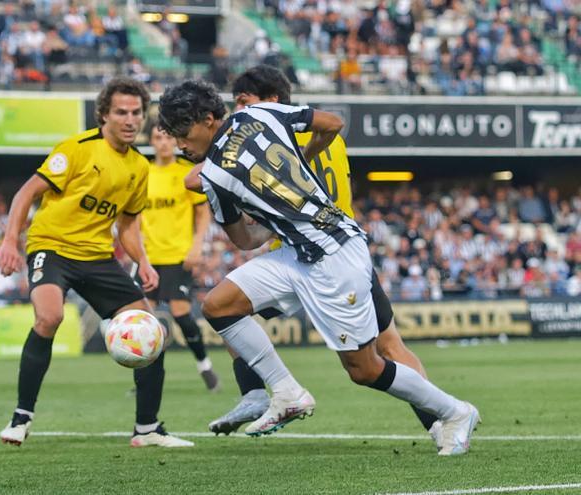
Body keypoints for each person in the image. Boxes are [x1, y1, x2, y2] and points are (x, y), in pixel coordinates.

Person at [158, 80, 479, 456]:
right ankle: (286, 393)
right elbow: (331, 122)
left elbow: (244, 242)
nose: (180, 144)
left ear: (208, 120)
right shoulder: (260, 112)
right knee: (218, 305)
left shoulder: (213, 174)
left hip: (333, 257)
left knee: (365, 369)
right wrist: (299, 172)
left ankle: (455, 411)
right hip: (306, 248)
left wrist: (271, 212)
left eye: (183, 133)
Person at [0, 77, 192, 448]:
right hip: (51, 248)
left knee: (150, 330)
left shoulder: (139, 167)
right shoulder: (77, 149)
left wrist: (144, 262)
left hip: (97, 257)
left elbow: (128, 223)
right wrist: (10, 241)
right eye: (121, 112)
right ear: (104, 115)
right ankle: (21, 418)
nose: (130, 120)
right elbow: (26, 193)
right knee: (49, 316)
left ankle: (147, 430)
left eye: (136, 112)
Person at [138, 125, 219, 392]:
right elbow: (134, 216)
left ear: (174, 141)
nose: (163, 142)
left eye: (167, 137)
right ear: (151, 140)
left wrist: (197, 246)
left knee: (180, 312)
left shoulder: (185, 171)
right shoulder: (143, 172)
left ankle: (204, 365)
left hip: (178, 255)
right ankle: (146, 379)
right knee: (144, 319)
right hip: (149, 256)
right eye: (157, 137)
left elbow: (202, 213)